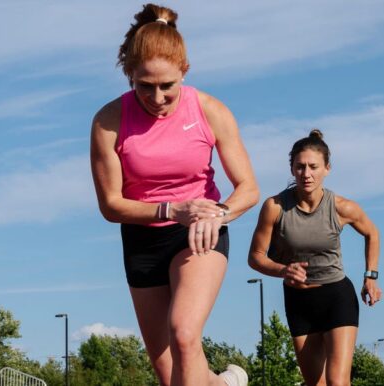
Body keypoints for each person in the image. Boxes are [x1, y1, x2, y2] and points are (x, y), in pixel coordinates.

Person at [90, 4, 258, 386]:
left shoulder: (210, 110)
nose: (157, 97)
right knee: (170, 375)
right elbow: (111, 205)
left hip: (198, 232)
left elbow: (248, 188)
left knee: (183, 334)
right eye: (144, 86)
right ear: (129, 75)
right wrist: (170, 209)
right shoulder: (108, 121)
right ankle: (225, 383)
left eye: (167, 85)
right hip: (143, 239)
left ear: (185, 70)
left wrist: (218, 214)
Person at [248, 129, 382, 386]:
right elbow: (255, 257)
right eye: (300, 167)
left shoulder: (342, 207)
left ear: (327, 169)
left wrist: (370, 277)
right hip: (299, 301)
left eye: (313, 167)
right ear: (292, 168)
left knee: (337, 381)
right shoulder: (275, 207)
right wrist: (283, 271)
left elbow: (372, 233)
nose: (306, 174)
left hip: (336, 296)